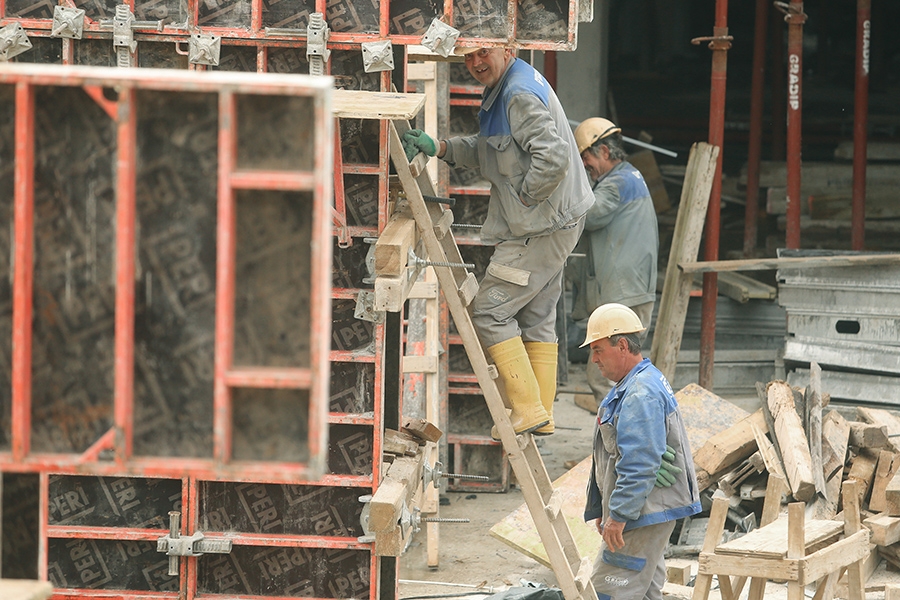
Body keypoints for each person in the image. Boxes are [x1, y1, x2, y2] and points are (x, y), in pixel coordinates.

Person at [401, 45, 593, 438]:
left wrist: (527, 197)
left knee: (490, 311)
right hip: (558, 221)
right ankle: (542, 413)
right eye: (468, 57)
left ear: (507, 49)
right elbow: (492, 150)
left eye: (483, 53)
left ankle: (526, 409)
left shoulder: (517, 94)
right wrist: (440, 148)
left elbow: (553, 157)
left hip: (543, 226)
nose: (475, 63)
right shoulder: (508, 84)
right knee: (537, 315)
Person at [580, 303, 700, 600]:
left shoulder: (640, 392)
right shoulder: (637, 381)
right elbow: (617, 457)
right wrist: (604, 508)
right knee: (646, 593)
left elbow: (640, 463)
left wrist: (619, 514)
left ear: (622, 345)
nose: (594, 359)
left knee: (607, 592)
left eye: (598, 350)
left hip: (641, 513)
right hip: (647, 512)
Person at [569, 118, 659, 409]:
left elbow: (590, 215)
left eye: (586, 157)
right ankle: (619, 427)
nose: (585, 165)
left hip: (624, 294)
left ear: (605, 152)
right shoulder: (629, 176)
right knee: (621, 367)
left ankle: (614, 430)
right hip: (630, 290)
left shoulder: (618, 183)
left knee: (607, 367)